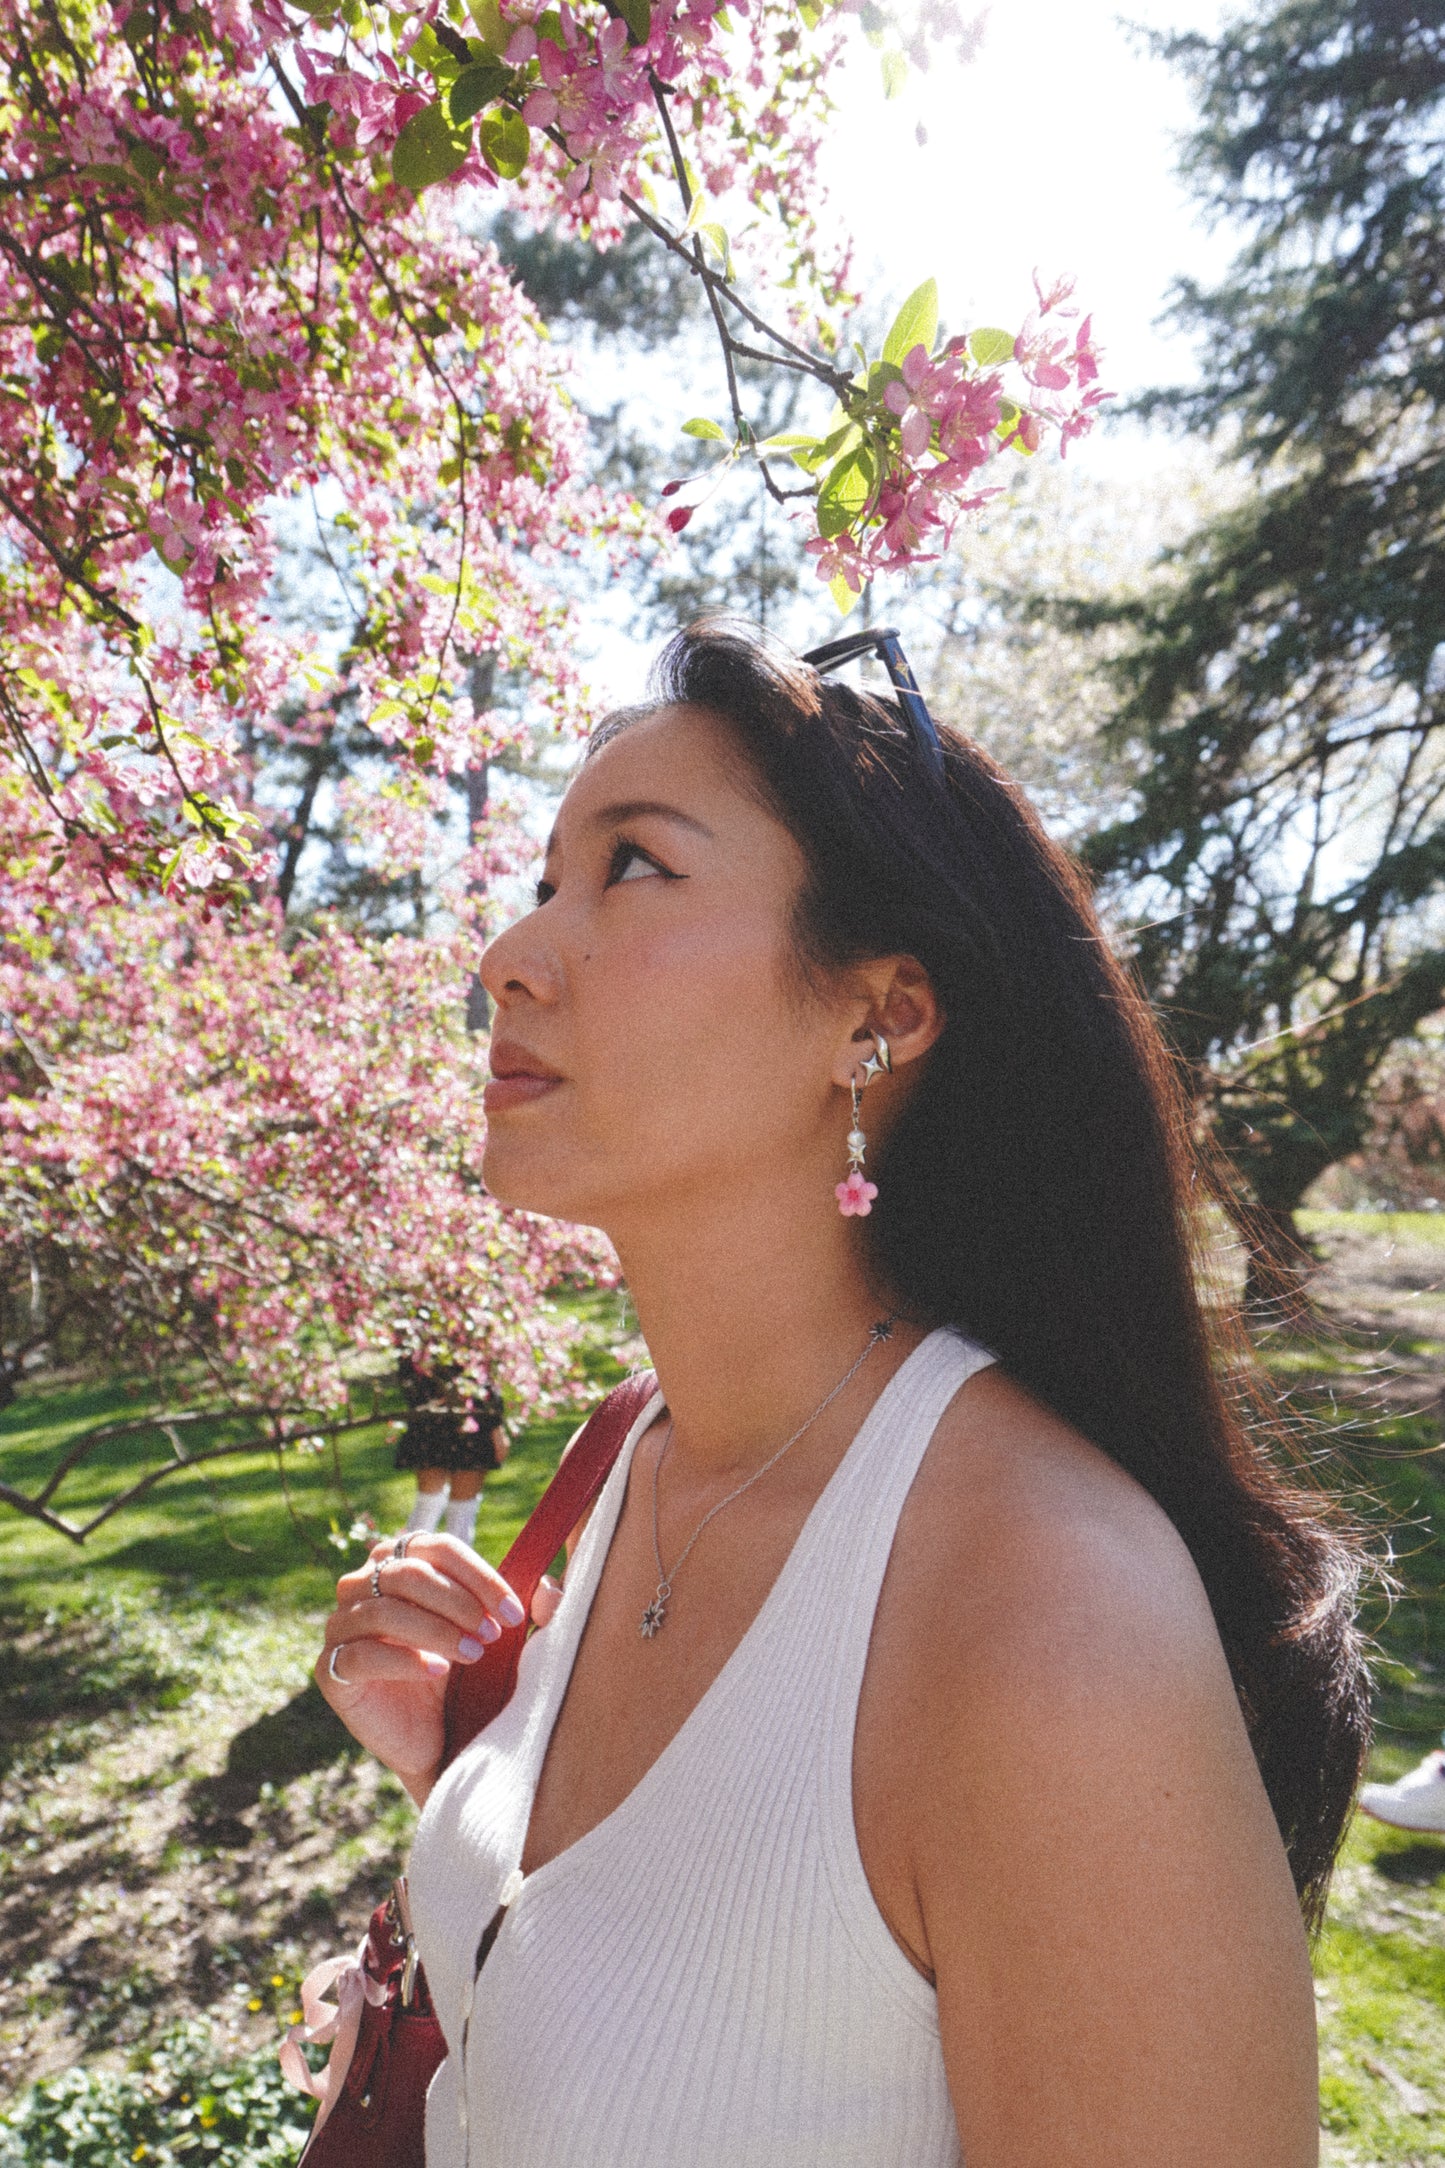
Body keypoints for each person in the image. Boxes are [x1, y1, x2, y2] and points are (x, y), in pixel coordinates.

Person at [318, 620, 1371, 2168]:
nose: (507, 956)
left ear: (877, 1015)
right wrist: (477, 1759)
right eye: (546, 879)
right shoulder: (641, 1451)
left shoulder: (1047, 1619)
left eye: (633, 869)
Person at [393, 1352, 509, 1549]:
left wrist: (494, 1425)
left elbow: (485, 1367)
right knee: (428, 1503)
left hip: (472, 1416)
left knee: (461, 1514)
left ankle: (453, 1576)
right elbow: (408, 1370)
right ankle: (402, 1571)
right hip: (431, 1416)